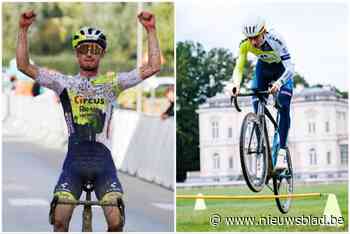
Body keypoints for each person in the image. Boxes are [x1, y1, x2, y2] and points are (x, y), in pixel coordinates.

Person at [16, 9, 161, 232]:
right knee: (59, 219)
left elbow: (153, 67)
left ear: (101, 54)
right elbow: (24, 66)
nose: (89, 54)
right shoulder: (63, 83)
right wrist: (23, 29)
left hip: (104, 164)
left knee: (116, 221)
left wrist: (150, 30)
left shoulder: (113, 83)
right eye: (84, 49)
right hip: (74, 163)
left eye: (95, 50)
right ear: (77, 54)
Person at [231, 16, 294, 172]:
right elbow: (239, 67)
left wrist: (279, 83)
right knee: (256, 99)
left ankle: (282, 152)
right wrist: (236, 85)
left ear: (264, 32)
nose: (253, 42)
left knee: (284, 104)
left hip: (282, 70)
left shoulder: (276, 40)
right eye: (250, 38)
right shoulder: (245, 45)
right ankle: (261, 153)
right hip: (263, 70)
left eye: (256, 37)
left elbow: (290, 68)